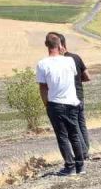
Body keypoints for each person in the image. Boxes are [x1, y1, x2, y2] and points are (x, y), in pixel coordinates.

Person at [36, 33, 87, 175]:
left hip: (55, 104)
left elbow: (43, 87)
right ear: (60, 45)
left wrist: (46, 104)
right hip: (72, 102)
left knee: (62, 136)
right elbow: (74, 75)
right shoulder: (70, 61)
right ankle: (80, 166)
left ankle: (69, 166)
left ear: (46, 45)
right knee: (74, 135)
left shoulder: (42, 64)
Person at [52, 32, 91, 158]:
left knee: (73, 127)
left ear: (59, 45)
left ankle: (83, 153)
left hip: (68, 98)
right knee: (81, 124)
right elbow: (87, 77)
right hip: (80, 95)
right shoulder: (76, 57)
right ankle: (86, 151)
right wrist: (78, 80)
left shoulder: (60, 61)